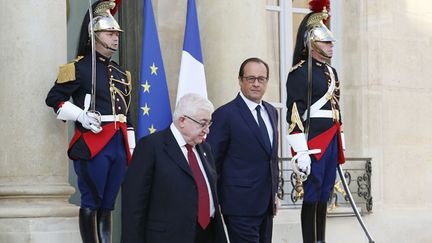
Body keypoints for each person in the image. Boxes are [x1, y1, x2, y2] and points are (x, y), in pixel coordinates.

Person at [45, 1, 134, 242]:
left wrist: (131, 146)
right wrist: (81, 115)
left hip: (118, 142)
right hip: (93, 142)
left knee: (108, 203)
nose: (115, 38)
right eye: (109, 33)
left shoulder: (120, 73)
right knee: (91, 200)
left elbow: (127, 112)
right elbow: (54, 99)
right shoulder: (78, 68)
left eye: (116, 34)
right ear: (94, 35)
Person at [121, 93, 228, 243]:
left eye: (209, 124)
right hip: (168, 236)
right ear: (182, 120)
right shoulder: (151, 147)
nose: (207, 130)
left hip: (207, 234)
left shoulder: (205, 148)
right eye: (202, 123)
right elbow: (134, 204)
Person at [285, 2, 346, 243]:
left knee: (325, 192)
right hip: (314, 142)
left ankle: (321, 239)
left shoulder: (332, 73)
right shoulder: (299, 73)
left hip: (331, 138)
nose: (331, 47)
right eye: (326, 42)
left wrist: (342, 141)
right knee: (312, 193)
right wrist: (300, 149)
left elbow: (337, 110)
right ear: (311, 43)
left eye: (331, 42)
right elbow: (294, 113)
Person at [206, 57, 279, 243]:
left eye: (261, 79)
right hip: (239, 206)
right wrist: (216, 200)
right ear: (240, 80)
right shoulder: (225, 115)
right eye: (250, 78)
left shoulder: (271, 112)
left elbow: (271, 158)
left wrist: (274, 194)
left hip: (266, 206)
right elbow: (213, 162)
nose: (256, 84)